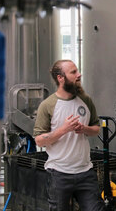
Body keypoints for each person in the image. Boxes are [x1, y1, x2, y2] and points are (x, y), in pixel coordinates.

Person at [33, 60, 105, 211]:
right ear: (60, 78)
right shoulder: (47, 105)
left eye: (77, 71)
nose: (79, 75)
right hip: (58, 174)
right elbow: (39, 140)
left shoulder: (86, 100)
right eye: (73, 72)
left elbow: (96, 129)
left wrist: (84, 128)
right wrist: (63, 129)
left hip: (85, 171)